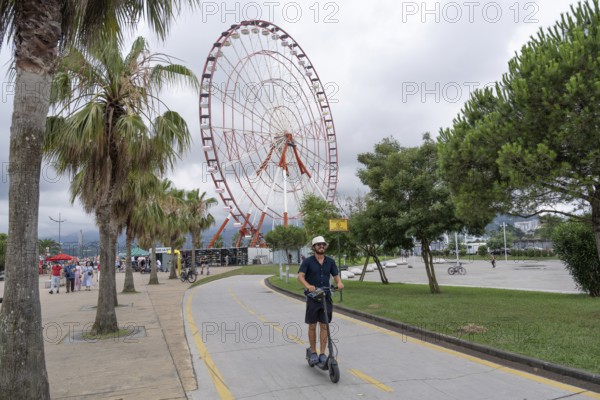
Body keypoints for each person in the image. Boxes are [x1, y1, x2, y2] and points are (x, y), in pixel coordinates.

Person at [297, 236, 344, 366]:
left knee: (324, 325)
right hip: (313, 297)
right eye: (318, 245)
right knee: (312, 325)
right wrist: (308, 285)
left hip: (326, 296)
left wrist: (339, 282)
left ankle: (322, 353)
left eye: (323, 244)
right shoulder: (307, 261)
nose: (321, 246)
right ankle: (313, 352)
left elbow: (336, 276)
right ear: (313, 247)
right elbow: (300, 276)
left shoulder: (330, 261)